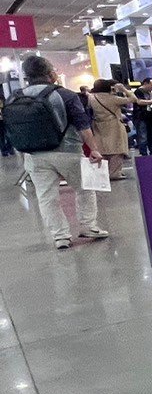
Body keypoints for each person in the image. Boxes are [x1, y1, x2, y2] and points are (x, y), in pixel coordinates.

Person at [10, 55, 109, 250]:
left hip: (34, 155)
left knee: (46, 197)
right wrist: (94, 149)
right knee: (84, 188)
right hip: (68, 151)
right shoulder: (65, 95)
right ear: (50, 74)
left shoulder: (16, 97)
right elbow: (83, 125)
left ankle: (60, 237)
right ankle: (88, 226)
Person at [88, 83, 134, 178]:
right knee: (117, 148)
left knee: (103, 149)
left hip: (98, 125)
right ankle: (115, 173)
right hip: (114, 124)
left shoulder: (92, 98)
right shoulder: (113, 98)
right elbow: (133, 99)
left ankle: (103, 172)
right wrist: (124, 89)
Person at [132, 78, 152, 155]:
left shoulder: (149, 92)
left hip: (149, 117)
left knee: (151, 135)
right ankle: (143, 153)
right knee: (143, 136)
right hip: (140, 117)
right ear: (145, 84)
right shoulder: (138, 91)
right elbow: (139, 102)